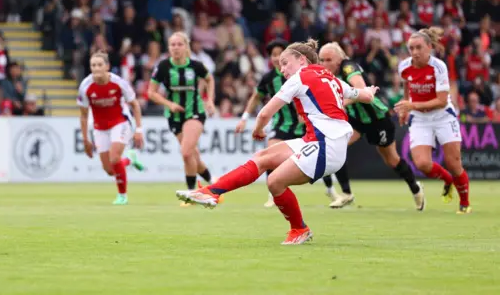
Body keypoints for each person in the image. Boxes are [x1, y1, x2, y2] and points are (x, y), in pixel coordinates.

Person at [177, 39, 379, 244]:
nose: (282, 69)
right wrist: (370, 91)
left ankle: (299, 229)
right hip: (317, 141)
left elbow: (265, 113)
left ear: (301, 60)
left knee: (274, 182)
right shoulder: (331, 78)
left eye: (285, 62)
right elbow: (363, 95)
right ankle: (211, 192)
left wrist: (257, 130)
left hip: (326, 145)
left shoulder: (299, 78)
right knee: (263, 158)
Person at [318, 42, 425, 210]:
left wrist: (340, 103)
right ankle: (346, 194)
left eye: (328, 60)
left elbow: (361, 89)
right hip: (356, 120)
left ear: (339, 59)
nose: (324, 64)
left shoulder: (348, 67)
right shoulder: (329, 74)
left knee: (392, 160)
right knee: (334, 146)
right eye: (321, 60)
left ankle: (416, 189)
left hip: (377, 119)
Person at [394, 27, 471, 214]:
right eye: (411, 48)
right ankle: (447, 180)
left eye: (419, 47)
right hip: (420, 118)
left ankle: (465, 203)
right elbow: (407, 86)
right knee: (422, 164)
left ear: (429, 47)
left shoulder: (439, 67)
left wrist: (411, 106)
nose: (415, 52)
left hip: (443, 116)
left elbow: (441, 101)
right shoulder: (404, 66)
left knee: (453, 163)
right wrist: (405, 106)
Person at [148, 32, 217, 205]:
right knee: (193, 155)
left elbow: (210, 79)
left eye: (180, 44)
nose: (176, 48)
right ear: (169, 47)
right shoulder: (163, 66)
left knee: (186, 152)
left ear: (186, 47)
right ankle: (214, 183)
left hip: (194, 112)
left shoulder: (195, 66)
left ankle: (191, 195)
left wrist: (209, 100)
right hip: (174, 115)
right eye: (173, 45)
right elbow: (151, 92)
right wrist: (169, 104)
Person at [235, 39, 305, 208]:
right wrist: (244, 117)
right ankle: (272, 194)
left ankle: (332, 191)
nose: (276, 58)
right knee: (270, 157)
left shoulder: (300, 74)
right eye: (273, 55)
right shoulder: (268, 78)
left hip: (303, 126)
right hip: (280, 125)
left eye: (279, 54)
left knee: (317, 157)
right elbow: (256, 97)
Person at [77, 52, 146, 205]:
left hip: (120, 122)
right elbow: (83, 115)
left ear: (107, 66)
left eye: (100, 65)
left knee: (114, 158)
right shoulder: (85, 86)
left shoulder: (119, 83)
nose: (96, 69)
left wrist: (139, 129)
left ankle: (122, 196)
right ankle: (130, 159)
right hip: (100, 127)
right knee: (109, 170)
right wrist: (85, 139)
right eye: (93, 65)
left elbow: (135, 104)